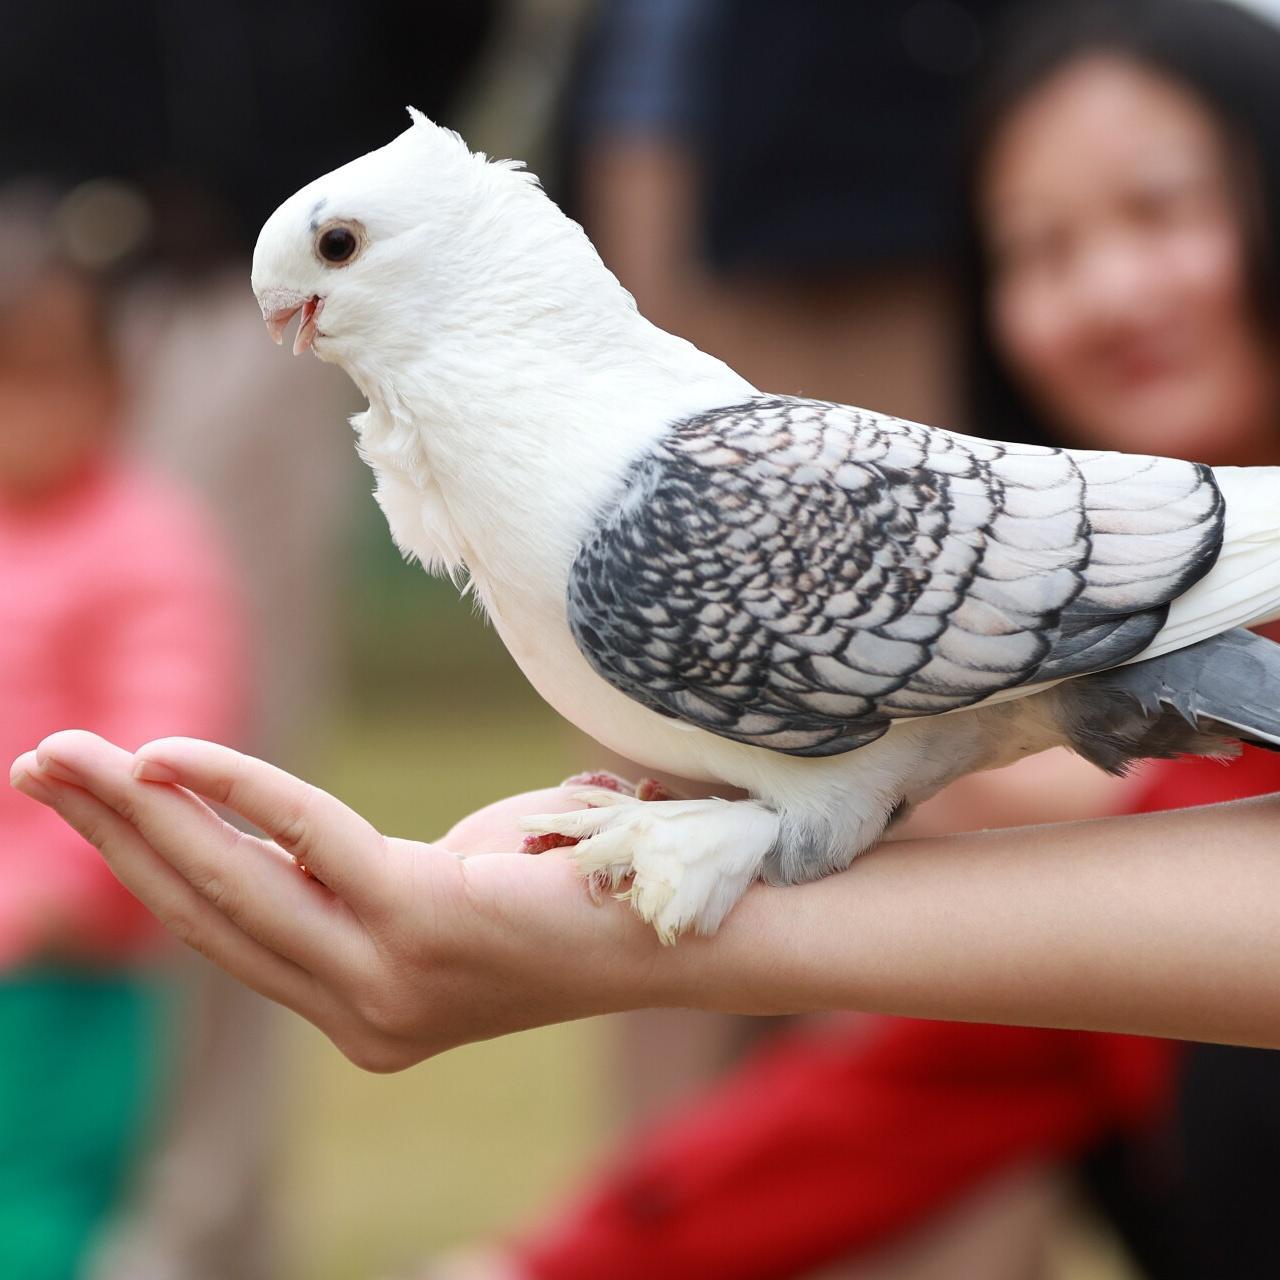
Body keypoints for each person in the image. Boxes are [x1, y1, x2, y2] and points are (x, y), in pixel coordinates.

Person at [0, 198, 243, 1279]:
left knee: (38, 1214)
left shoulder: (146, 541)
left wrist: (50, 891)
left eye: (40, 376)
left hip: (63, 970)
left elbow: (157, 739)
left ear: (115, 384)